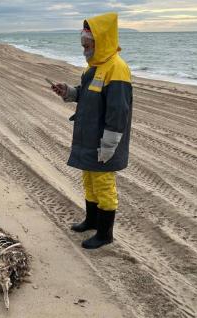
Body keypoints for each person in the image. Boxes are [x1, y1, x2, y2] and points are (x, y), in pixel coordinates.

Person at [51, 12, 133, 249]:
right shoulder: (95, 67)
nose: (84, 50)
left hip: (103, 142)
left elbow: (118, 112)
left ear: (101, 41)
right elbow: (86, 93)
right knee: (89, 180)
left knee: (104, 185)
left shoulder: (116, 68)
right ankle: (92, 220)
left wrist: (108, 146)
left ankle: (105, 234)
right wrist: (68, 91)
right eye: (83, 46)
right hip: (88, 137)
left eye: (87, 46)